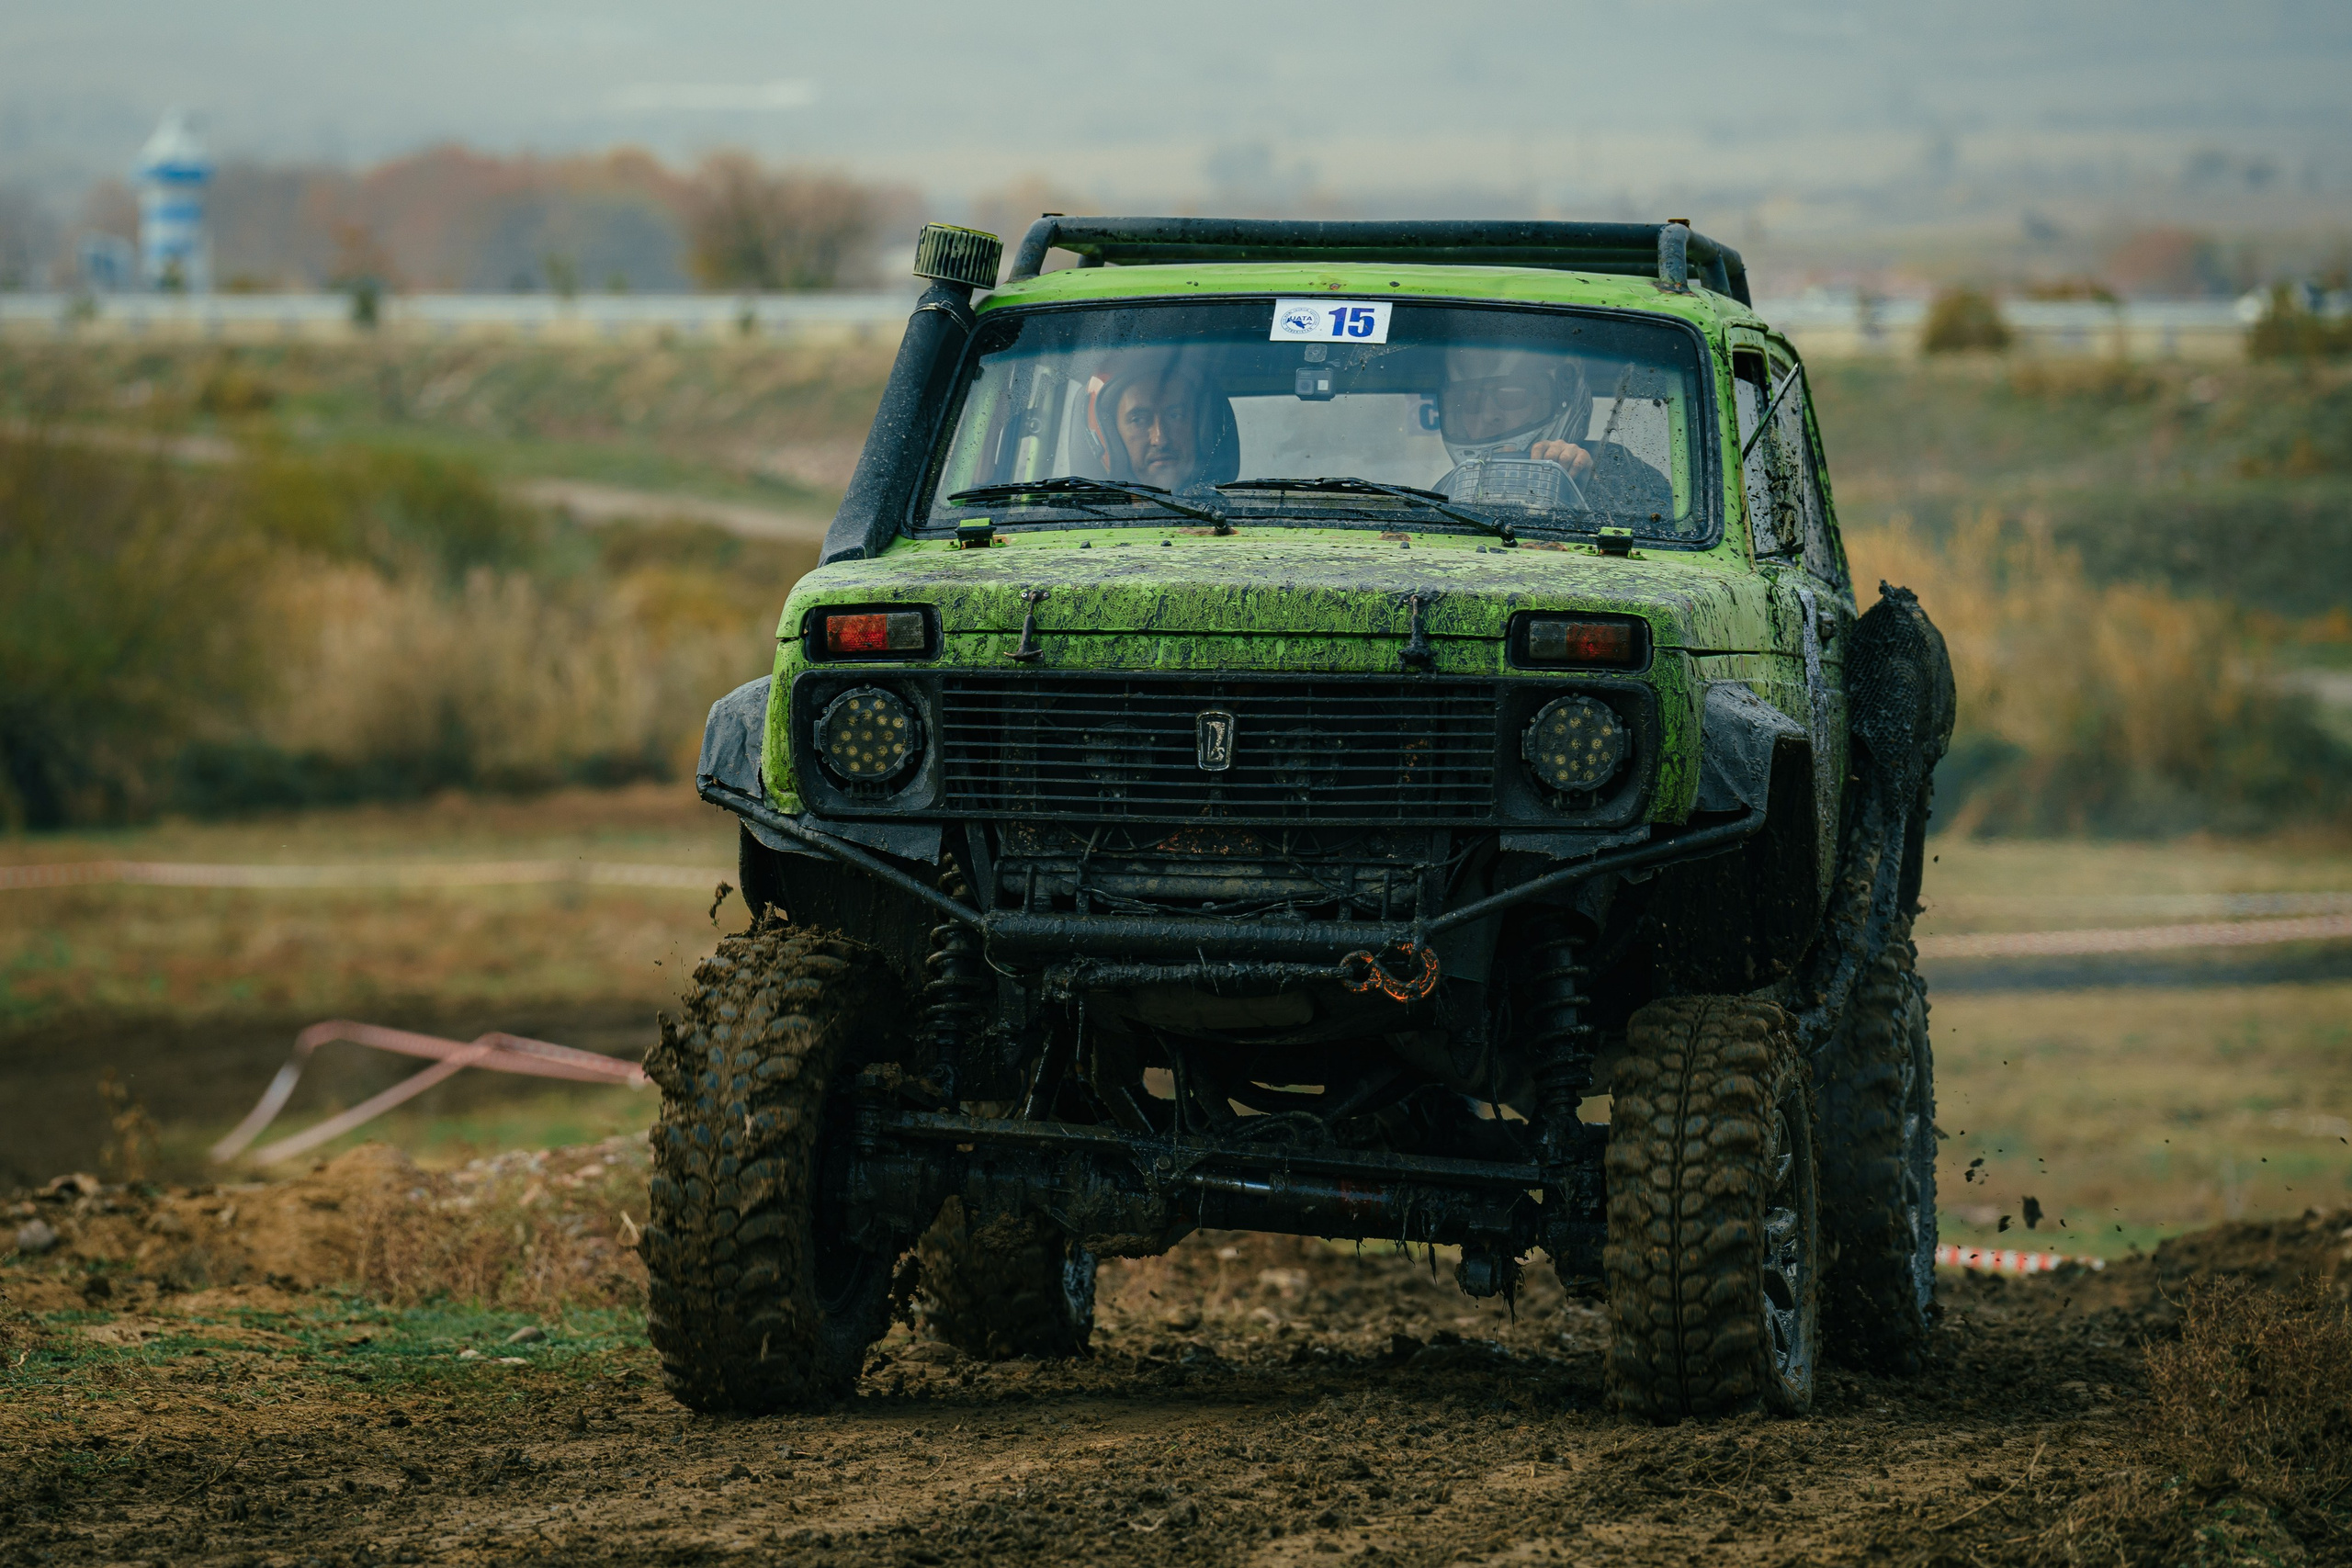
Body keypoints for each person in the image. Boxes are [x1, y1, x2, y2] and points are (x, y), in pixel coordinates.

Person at [1435, 345, 1673, 518]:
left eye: (1511, 396)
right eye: (1469, 402)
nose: (1488, 415)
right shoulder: (1451, 490)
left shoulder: (1614, 466)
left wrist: (1590, 479)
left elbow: (1664, 531)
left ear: (1564, 396)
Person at [1086, 352, 1237, 491]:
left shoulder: (1237, 515)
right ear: (1113, 435)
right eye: (1138, 420)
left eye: (1175, 416)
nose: (1160, 439)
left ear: (1201, 429)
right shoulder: (1085, 519)